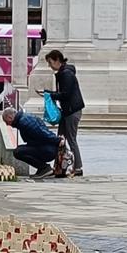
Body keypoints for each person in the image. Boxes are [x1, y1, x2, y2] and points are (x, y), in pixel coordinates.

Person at [44, 49, 85, 179]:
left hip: (72, 111)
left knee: (71, 139)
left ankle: (78, 167)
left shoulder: (66, 74)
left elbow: (65, 94)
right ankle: (60, 165)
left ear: (57, 60)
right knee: (60, 138)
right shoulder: (64, 73)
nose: (49, 66)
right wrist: (49, 92)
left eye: (50, 62)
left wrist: (51, 94)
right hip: (68, 111)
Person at [0, 100, 60, 178]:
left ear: (10, 117)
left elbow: (42, 133)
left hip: (48, 149)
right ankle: (42, 169)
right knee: (20, 149)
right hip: (45, 147)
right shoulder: (23, 119)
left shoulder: (24, 122)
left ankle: (44, 168)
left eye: (6, 121)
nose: (7, 124)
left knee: (18, 152)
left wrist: (57, 140)